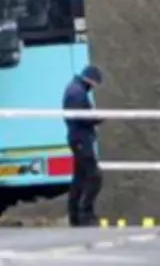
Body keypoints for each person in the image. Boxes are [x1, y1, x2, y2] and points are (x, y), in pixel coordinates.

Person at [62, 65, 104, 227]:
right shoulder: (77, 93)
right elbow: (81, 117)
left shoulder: (75, 90)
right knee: (94, 177)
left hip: (78, 139)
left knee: (79, 178)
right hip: (81, 140)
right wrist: (97, 119)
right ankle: (85, 213)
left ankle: (75, 216)